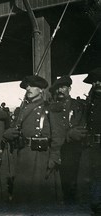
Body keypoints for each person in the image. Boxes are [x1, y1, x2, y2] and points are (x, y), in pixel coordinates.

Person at [2, 75, 61, 205]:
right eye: (27, 86)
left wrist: (54, 157)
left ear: (41, 90)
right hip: (24, 156)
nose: (28, 88)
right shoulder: (22, 109)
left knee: (41, 198)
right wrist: (8, 134)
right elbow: (15, 129)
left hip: (41, 156)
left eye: (32, 86)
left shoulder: (49, 108)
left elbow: (57, 136)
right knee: (23, 198)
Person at [48, 76, 87, 205]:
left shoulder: (78, 106)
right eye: (58, 88)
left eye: (63, 87)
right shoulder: (51, 108)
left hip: (73, 151)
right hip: (56, 150)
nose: (60, 90)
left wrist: (70, 135)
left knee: (73, 185)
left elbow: (81, 127)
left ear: (69, 88)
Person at [80, 68, 101, 214]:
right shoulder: (91, 100)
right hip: (94, 145)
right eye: (94, 81)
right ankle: (96, 204)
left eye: (100, 80)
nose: (97, 83)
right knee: (96, 174)